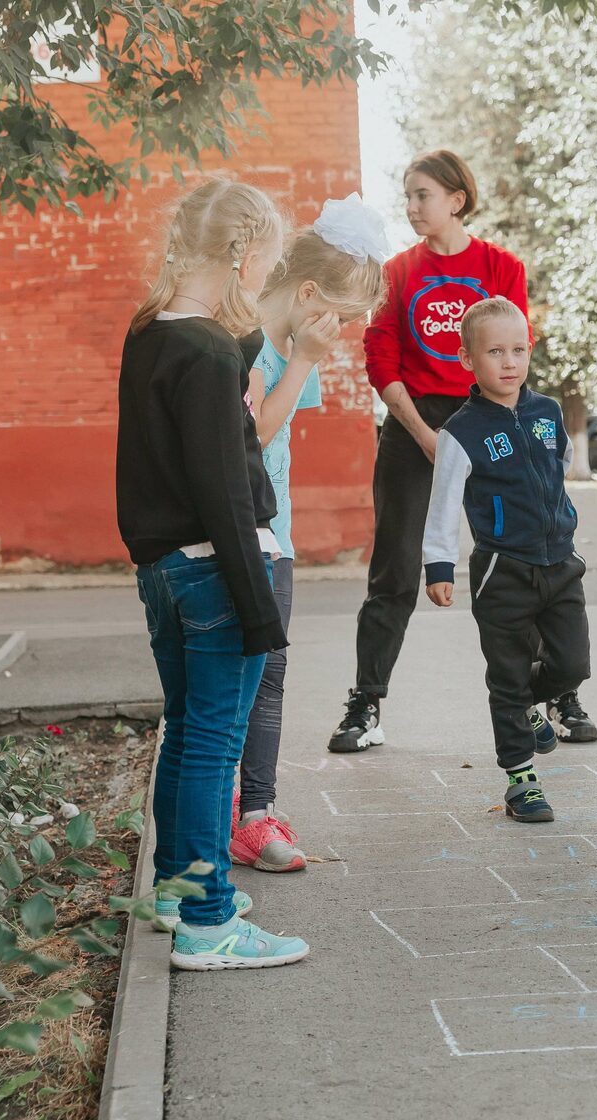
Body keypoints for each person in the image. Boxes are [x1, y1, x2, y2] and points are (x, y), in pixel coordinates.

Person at [327, 149, 597, 752]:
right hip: (414, 420)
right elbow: (381, 354)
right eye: (408, 194)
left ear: (456, 198)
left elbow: (509, 349)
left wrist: (478, 431)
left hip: (491, 416)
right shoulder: (397, 271)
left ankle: (552, 693)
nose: (412, 206)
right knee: (394, 569)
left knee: (528, 551)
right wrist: (429, 436)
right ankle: (366, 703)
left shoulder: (501, 266)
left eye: (423, 194)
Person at [116, 174, 309, 969]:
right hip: (214, 573)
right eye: (265, 262)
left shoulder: (156, 333)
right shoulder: (202, 357)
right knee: (211, 749)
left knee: (187, 733)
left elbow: (222, 371)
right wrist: (259, 605)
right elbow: (226, 491)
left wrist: (285, 339)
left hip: (166, 571)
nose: (265, 277)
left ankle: (175, 890)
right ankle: (207, 922)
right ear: (241, 256)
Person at [229, 196, 390, 873]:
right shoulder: (245, 343)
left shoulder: (298, 347)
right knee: (237, 680)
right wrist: (300, 359)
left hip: (278, 534)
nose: (345, 333)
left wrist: (304, 356)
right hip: (238, 534)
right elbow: (254, 433)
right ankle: (237, 814)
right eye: (344, 317)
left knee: (270, 676)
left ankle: (255, 812)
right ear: (309, 292)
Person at [421, 298, 590, 822]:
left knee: (572, 665)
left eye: (518, 349)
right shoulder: (461, 432)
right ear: (468, 358)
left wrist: (563, 514)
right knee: (508, 676)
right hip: (502, 572)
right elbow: (444, 501)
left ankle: (527, 706)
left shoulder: (547, 413)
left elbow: (558, 467)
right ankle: (522, 780)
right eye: (495, 351)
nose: (509, 361)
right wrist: (439, 566)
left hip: (560, 565)